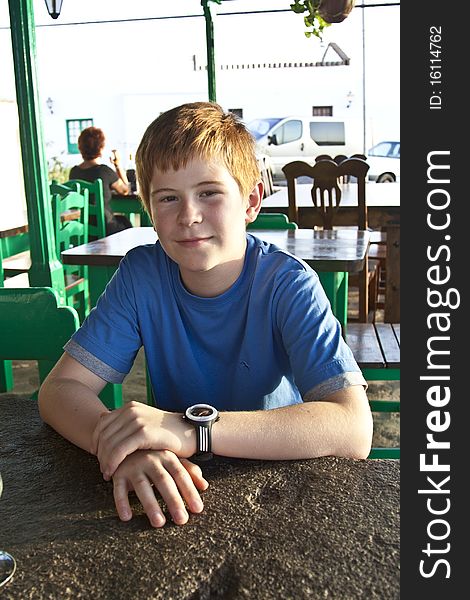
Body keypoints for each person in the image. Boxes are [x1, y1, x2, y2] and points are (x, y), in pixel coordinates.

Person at [39, 102, 373, 529]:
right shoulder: (142, 276)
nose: (189, 216)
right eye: (168, 198)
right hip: (175, 485)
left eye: (209, 192)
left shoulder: (288, 285)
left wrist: (190, 430)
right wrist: (124, 445)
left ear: (250, 200)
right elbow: (60, 389)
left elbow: (352, 427)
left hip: (276, 487)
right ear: (148, 209)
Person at [69, 126, 133, 235]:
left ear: (80, 147)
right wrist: (118, 165)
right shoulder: (104, 171)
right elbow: (125, 190)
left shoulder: (73, 172)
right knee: (125, 223)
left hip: (82, 228)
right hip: (105, 227)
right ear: (101, 148)